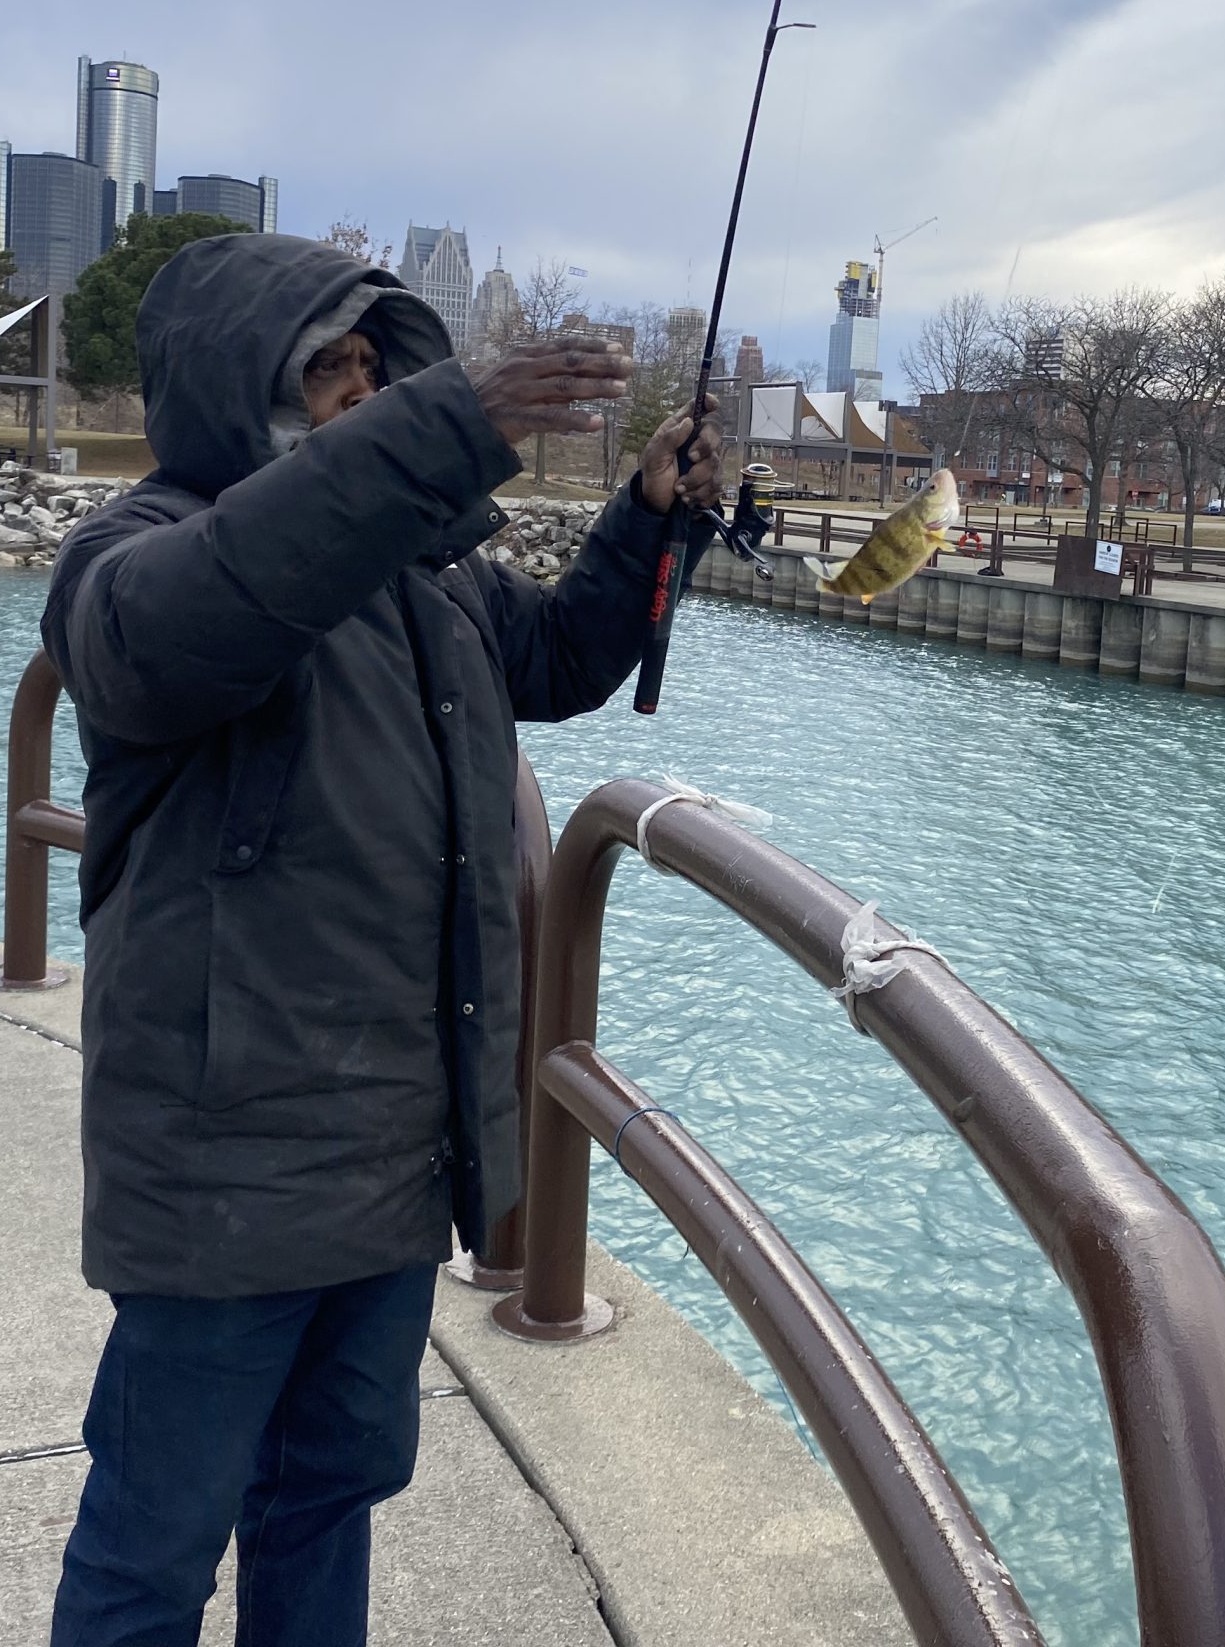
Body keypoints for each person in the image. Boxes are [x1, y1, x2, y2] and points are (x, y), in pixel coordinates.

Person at [39, 232, 720, 1647]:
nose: (357, 393)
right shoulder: (134, 561)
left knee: (327, 1499)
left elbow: (557, 663)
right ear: (239, 394)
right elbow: (222, 598)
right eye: (322, 372)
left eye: (372, 368)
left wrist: (650, 518)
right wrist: (449, 425)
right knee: (152, 1550)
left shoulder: (434, 577)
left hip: (394, 1161)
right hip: (222, 1175)